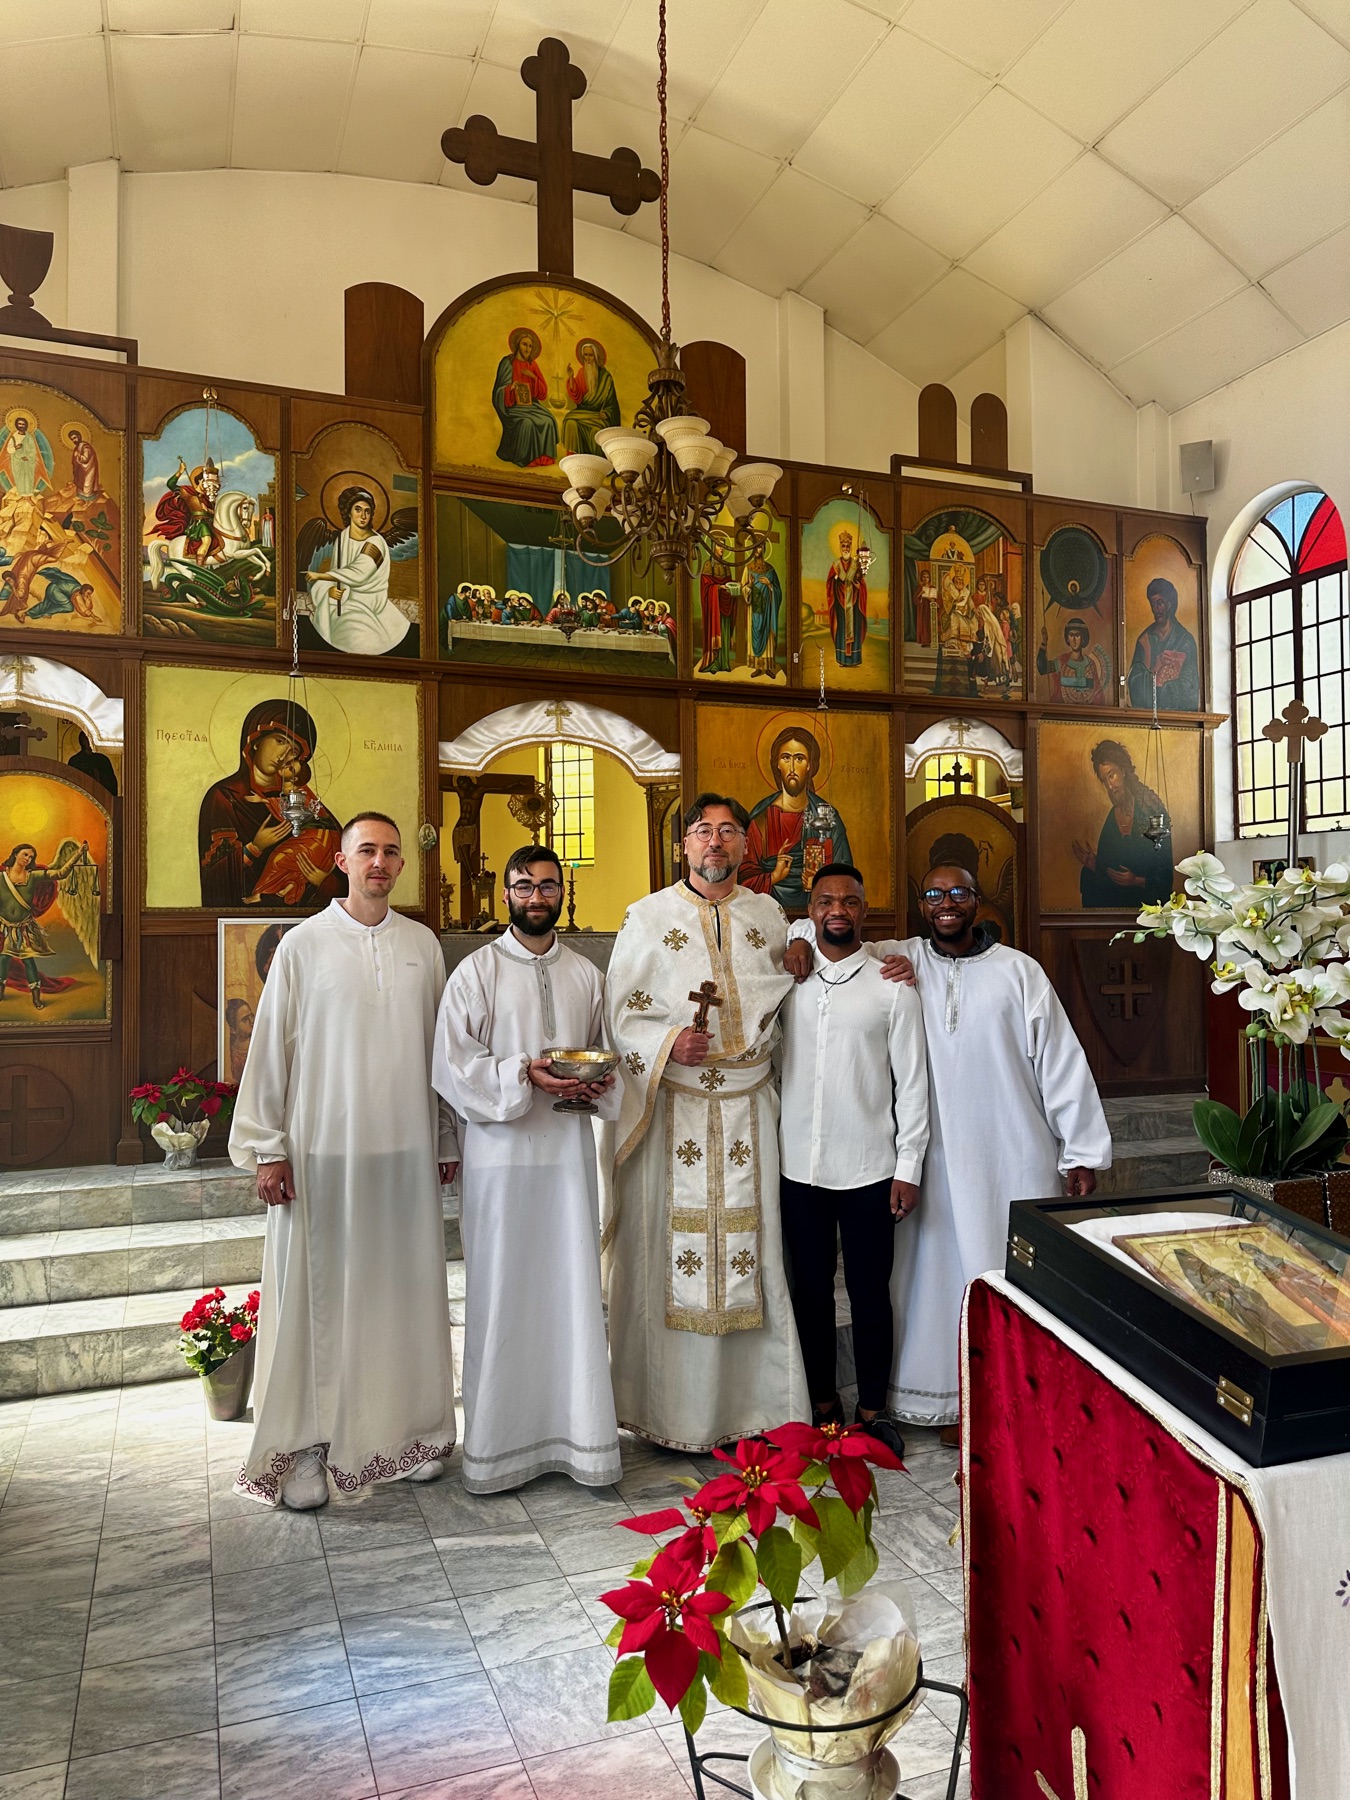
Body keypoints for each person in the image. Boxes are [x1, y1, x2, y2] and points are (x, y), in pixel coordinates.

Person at [786, 864, 1110, 1443]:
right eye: (934, 894)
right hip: (930, 1159)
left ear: (978, 900)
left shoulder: (1019, 972)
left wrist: (1079, 1148)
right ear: (920, 903)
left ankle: (1004, 1400)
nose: (946, 904)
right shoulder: (900, 958)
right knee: (927, 1279)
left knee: (999, 1274)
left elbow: (1060, 1058)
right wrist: (795, 943)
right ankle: (939, 1399)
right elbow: (830, 930)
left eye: (958, 893)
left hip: (1008, 1149)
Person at [229, 812, 459, 1509]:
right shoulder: (303, 945)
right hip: (322, 1152)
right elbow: (271, 1050)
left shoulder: (423, 945)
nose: (381, 862)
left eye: (391, 852)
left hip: (405, 1150)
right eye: (368, 851)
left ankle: (409, 1434)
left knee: (402, 1292)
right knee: (316, 1301)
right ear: (340, 860)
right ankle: (305, 1448)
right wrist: (267, 1148)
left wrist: (445, 1137)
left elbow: (440, 1056)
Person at [605, 794, 808, 1451]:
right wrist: (666, 1043)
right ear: (683, 846)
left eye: (728, 832)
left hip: (752, 1109)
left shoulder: (770, 916)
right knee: (672, 1254)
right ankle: (672, 1414)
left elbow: (799, 985)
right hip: (674, 1112)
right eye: (702, 832)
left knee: (758, 1254)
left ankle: (759, 1410)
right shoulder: (647, 918)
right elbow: (620, 1018)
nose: (715, 843)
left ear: (747, 846)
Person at [433, 844, 622, 1494]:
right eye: (523, 886)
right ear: (504, 895)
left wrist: (594, 1086)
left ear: (561, 892)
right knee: (504, 1293)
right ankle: (499, 1450)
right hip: (501, 1163)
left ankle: (581, 1442)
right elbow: (452, 1068)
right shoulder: (477, 973)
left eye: (546, 886)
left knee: (571, 1290)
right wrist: (521, 1071)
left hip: (568, 1161)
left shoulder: (586, 976)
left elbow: (608, 1054)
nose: (535, 896)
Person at [777, 864, 928, 1461]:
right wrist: (795, 937)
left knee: (869, 1293)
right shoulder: (789, 977)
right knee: (809, 1291)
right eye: (824, 901)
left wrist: (909, 1165)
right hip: (799, 1168)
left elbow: (913, 1084)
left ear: (865, 911)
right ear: (811, 910)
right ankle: (821, 1406)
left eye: (849, 901)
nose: (836, 910)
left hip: (870, 1165)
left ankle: (872, 1410)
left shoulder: (894, 986)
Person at [197, 700, 343, 908]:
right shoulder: (224, 797)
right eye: (280, 741)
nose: (284, 755)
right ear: (256, 741)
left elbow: (343, 867)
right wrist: (254, 848)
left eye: (293, 750)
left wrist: (323, 881)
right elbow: (213, 878)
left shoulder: (300, 800)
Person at [740, 727, 853, 912]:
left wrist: (820, 882)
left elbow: (847, 875)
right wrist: (774, 877)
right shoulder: (761, 819)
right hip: (767, 916)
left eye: (799, 758)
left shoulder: (828, 817)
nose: (792, 768)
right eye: (786, 758)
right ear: (777, 763)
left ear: (810, 765)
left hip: (820, 918)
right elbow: (743, 877)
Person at [303, 485, 413, 656]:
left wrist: (320, 575)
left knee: (353, 635)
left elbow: (359, 573)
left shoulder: (375, 543)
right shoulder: (343, 538)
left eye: (367, 511)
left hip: (368, 602)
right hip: (344, 601)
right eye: (358, 509)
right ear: (349, 512)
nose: (363, 516)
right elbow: (337, 572)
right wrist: (330, 590)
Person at [1073, 738, 1172, 907]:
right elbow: (1112, 867)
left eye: (1112, 775)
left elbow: (1165, 877)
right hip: (1117, 902)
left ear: (1124, 772)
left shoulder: (1151, 810)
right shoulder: (1113, 818)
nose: (1110, 786)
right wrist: (1096, 864)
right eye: (1104, 780)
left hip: (1146, 905)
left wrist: (1136, 880)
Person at [1126, 577, 1200, 711]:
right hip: (1147, 717)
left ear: (1169, 605)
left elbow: (1191, 686)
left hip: (1175, 717)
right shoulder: (1145, 640)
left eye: (1159, 603)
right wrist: (1154, 670)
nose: (1156, 609)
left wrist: (1165, 687)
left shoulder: (1185, 641)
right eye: (1153, 604)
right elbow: (1133, 682)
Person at [492, 328, 557, 468]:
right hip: (512, 406)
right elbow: (498, 392)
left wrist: (533, 377)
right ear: (517, 345)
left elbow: (543, 393)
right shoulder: (507, 362)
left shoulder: (532, 365)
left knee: (549, 420)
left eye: (530, 346)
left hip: (531, 405)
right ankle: (524, 458)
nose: (527, 348)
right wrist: (511, 388)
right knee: (526, 423)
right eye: (524, 344)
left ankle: (544, 457)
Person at [561, 337, 620, 456]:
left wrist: (607, 413)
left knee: (596, 431)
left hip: (598, 416)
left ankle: (597, 462)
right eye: (585, 355)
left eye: (590, 355)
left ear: (596, 356)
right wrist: (571, 377)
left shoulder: (605, 377)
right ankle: (574, 458)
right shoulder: (582, 373)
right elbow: (577, 397)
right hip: (583, 412)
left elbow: (612, 404)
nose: (587, 358)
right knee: (570, 422)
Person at [1037, 617, 1110, 705]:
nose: (1074, 640)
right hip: (1062, 713)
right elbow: (1042, 668)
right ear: (1067, 638)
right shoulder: (1061, 661)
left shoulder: (1090, 664)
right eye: (1071, 635)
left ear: (1083, 638)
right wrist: (1044, 642)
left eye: (1077, 635)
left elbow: (1098, 693)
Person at [826, 528, 867, 666]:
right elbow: (829, 583)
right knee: (842, 629)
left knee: (854, 629)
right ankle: (842, 659)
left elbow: (862, 585)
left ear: (850, 547)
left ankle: (854, 660)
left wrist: (858, 587)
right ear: (840, 547)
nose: (845, 548)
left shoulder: (857, 565)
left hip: (854, 605)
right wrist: (836, 578)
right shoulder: (835, 565)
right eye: (843, 546)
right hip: (840, 603)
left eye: (848, 546)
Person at [68, 729, 118, 796]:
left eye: (92, 739)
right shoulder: (75, 760)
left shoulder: (102, 760)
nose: (89, 742)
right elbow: (71, 781)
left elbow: (110, 783)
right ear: (82, 741)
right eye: (86, 739)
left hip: (100, 796)